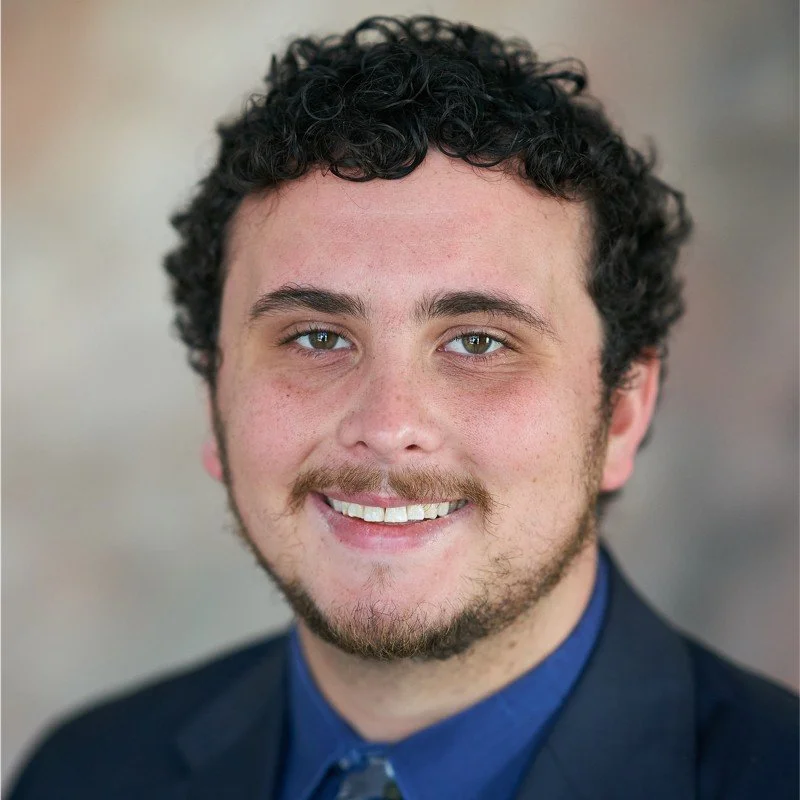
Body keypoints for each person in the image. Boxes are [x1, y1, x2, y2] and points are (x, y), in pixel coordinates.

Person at [7, 15, 797, 800]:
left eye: (480, 343)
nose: (387, 428)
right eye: (317, 337)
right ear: (216, 397)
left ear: (622, 412)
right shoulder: (82, 774)